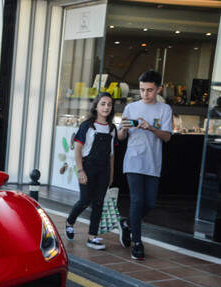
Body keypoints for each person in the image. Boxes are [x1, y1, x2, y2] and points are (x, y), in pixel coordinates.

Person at [117, 70, 173, 260]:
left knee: (150, 203)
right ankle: (137, 243)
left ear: (158, 89)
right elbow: (120, 136)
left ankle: (127, 225)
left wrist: (150, 128)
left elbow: (166, 137)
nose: (145, 94)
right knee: (137, 200)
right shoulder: (131, 108)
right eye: (142, 90)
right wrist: (123, 129)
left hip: (153, 162)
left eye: (149, 90)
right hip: (133, 160)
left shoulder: (165, 110)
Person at [64, 92, 118, 250]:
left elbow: (112, 155)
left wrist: (111, 175)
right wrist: (81, 171)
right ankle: (70, 222)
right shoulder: (87, 125)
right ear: (96, 106)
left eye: (109, 104)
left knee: (99, 202)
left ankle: (92, 237)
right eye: (103, 104)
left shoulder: (112, 128)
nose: (106, 107)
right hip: (88, 166)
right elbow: (78, 150)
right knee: (85, 200)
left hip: (104, 169)